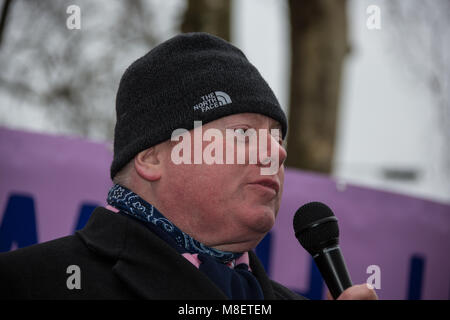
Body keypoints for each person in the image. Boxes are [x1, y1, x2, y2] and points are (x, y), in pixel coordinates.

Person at [0, 32, 377, 300]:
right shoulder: (28, 284)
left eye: (278, 137)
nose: (276, 153)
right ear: (151, 157)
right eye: (244, 133)